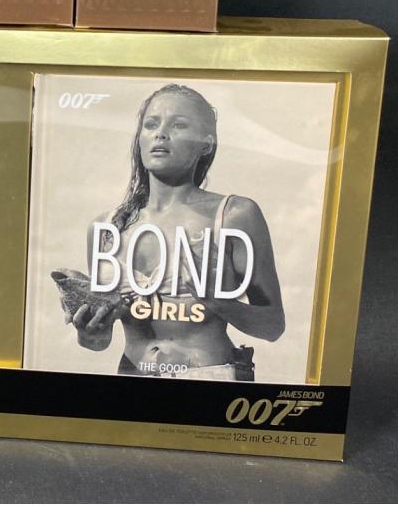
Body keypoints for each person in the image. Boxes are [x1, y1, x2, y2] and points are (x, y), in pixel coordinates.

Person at [69, 83, 285, 380]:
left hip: (209, 378)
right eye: (151, 124)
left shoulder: (234, 215)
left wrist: (216, 301)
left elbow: (272, 326)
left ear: (206, 143)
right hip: (132, 378)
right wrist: (89, 333)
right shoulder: (106, 227)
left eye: (179, 125)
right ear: (140, 139)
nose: (161, 134)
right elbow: (98, 343)